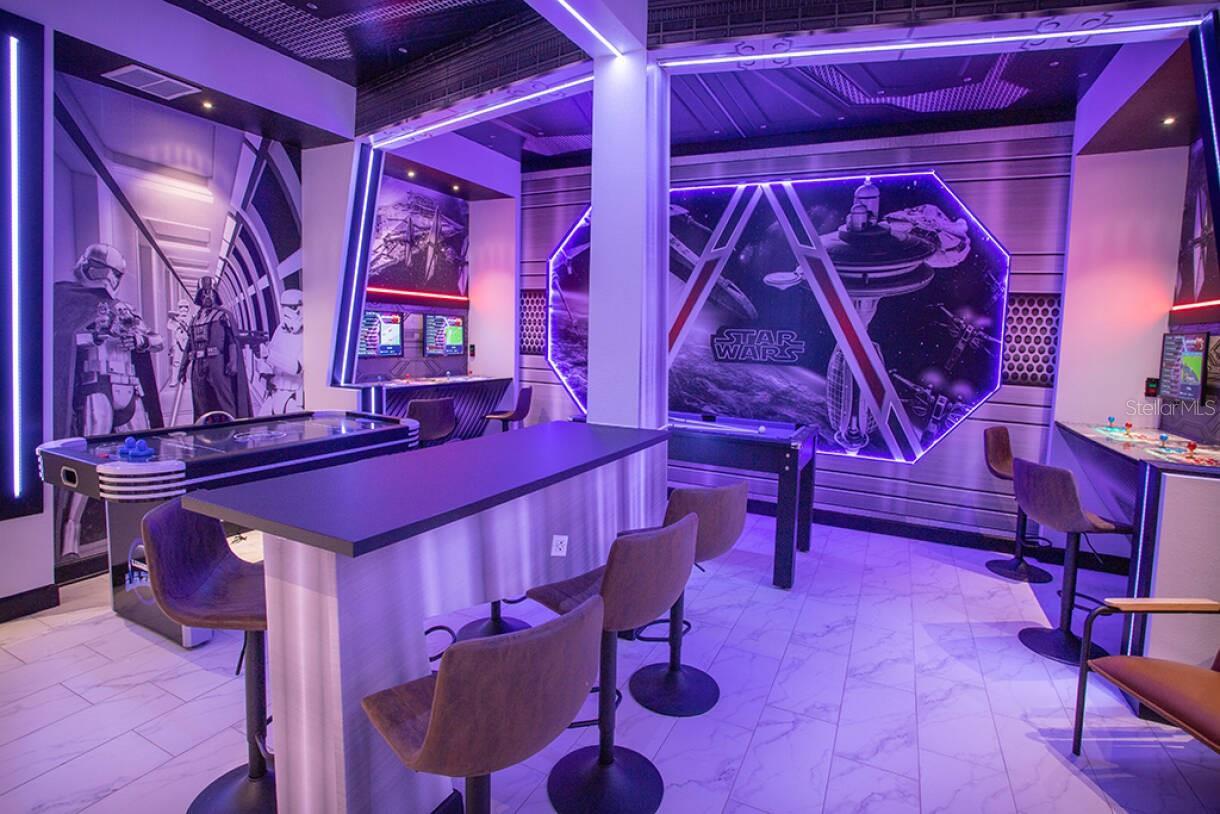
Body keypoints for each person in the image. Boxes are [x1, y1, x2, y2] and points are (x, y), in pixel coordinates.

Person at [54, 244, 164, 557]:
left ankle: (154, 526)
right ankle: (71, 532)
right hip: (97, 386)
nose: (110, 278)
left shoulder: (123, 309)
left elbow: (155, 340)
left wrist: (139, 339)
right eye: (107, 271)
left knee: (143, 459)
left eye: (114, 273)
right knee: (89, 459)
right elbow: (62, 340)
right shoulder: (69, 301)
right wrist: (94, 335)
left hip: (128, 387)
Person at [177, 276, 252, 421]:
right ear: (199, 296)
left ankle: (231, 429)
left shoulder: (223, 315)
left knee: (224, 400)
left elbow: (232, 340)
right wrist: (182, 368)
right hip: (198, 366)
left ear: (215, 294)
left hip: (217, 364)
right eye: (203, 293)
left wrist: (233, 362)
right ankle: (205, 431)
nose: (207, 296)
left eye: (210, 292)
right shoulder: (195, 319)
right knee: (201, 402)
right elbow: (189, 346)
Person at [255, 288, 303, 415]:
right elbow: (271, 357)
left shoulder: (308, 333)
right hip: (274, 391)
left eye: (291, 307)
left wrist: (269, 356)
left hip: (292, 396)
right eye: (283, 307)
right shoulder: (280, 330)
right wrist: (264, 367)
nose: (286, 312)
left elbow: (297, 368)